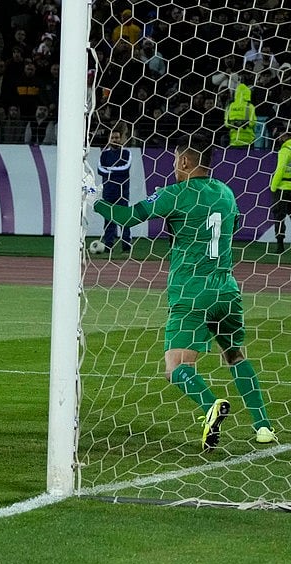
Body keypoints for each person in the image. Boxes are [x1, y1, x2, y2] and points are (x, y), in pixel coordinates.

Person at [90, 137, 277, 450]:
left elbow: (128, 217)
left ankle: (210, 407)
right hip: (226, 290)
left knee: (176, 368)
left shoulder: (174, 195)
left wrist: (92, 199)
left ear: (186, 162)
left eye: (176, 160)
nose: (174, 165)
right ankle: (263, 427)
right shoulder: (226, 193)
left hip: (191, 292)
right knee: (235, 355)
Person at [97, 128, 132, 252]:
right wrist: (114, 171)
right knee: (108, 218)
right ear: (109, 139)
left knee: (124, 218)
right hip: (108, 191)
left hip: (122, 191)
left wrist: (109, 170)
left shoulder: (126, 153)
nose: (115, 140)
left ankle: (126, 244)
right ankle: (108, 245)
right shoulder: (104, 154)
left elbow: (125, 168)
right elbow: (100, 170)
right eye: (112, 138)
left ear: (121, 138)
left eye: (117, 137)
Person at [270, 128, 291, 253]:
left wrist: (273, 187)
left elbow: (280, 169)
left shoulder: (285, 150)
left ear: (285, 135)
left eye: (280, 135)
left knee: (279, 217)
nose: (279, 138)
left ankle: (280, 245)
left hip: (282, 188)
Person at [224, 83, 257, 148]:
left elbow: (226, 124)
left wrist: (234, 124)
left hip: (234, 140)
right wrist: (243, 123)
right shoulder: (249, 106)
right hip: (248, 140)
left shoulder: (230, 106)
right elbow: (253, 122)